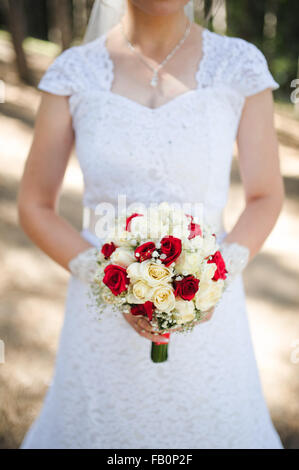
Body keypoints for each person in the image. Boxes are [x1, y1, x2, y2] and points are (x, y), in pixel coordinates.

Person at [19, 0, 284, 449]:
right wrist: (107, 280)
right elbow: (34, 204)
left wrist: (210, 278)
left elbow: (265, 196)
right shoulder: (74, 72)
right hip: (99, 314)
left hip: (209, 312)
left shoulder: (239, 64)